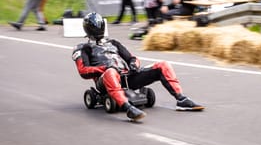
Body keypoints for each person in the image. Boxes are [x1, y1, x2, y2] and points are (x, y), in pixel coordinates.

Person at [72, 12, 204, 121]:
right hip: (105, 79)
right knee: (111, 72)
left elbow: (131, 58)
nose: (98, 28)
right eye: (95, 26)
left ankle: (181, 99)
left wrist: (134, 64)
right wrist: (105, 69)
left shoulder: (113, 43)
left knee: (163, 65)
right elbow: (83, 71)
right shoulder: (83, 48)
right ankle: (128, 108)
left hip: (127, 77)